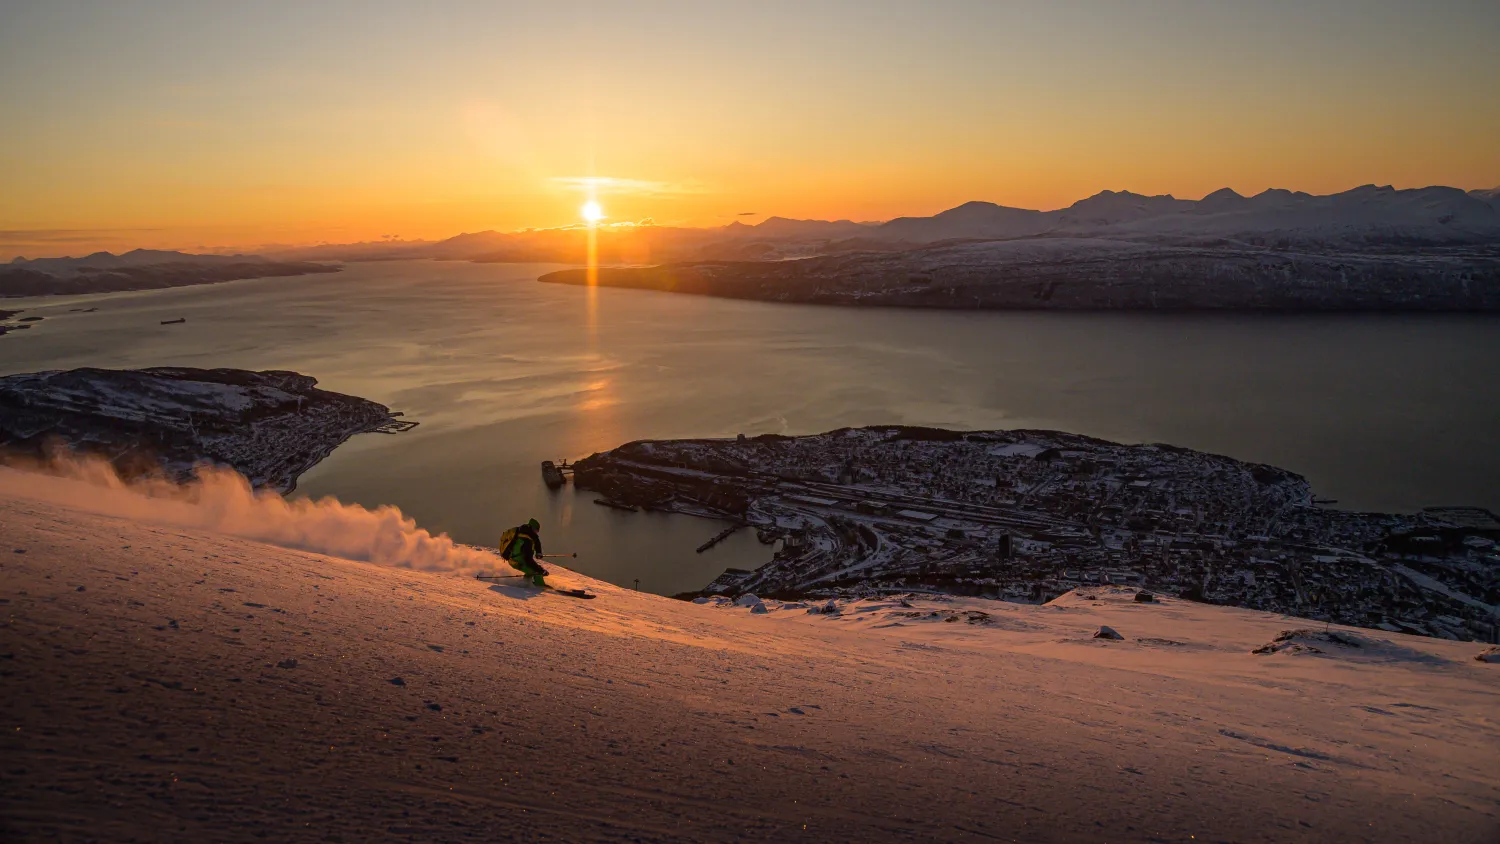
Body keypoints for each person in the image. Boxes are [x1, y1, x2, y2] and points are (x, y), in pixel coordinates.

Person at [501, 518, 548, 588]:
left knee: (533, 569)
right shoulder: (526, 541)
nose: (536, 532)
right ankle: (541, 587)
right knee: (536, 572)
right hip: (517, 562)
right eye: (536, 530)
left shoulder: (524, 533)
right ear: (532, 528)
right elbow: (528, 560)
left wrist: (538, 552)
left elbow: (536, 541)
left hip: (516, 559)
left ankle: (525, 583)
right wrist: (541, 570)